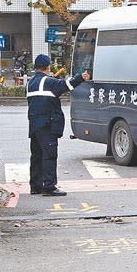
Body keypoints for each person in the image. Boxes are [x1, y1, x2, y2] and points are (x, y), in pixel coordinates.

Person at [27, 54, 90, 196]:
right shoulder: (48, 82)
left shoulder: (31, 83)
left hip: (34, 125)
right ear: (48, 67)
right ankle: (49, 186)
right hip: (47, 124)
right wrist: (81, 77)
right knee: (49, 154)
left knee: (36, 155)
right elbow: (66, 85)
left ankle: (35, 186)